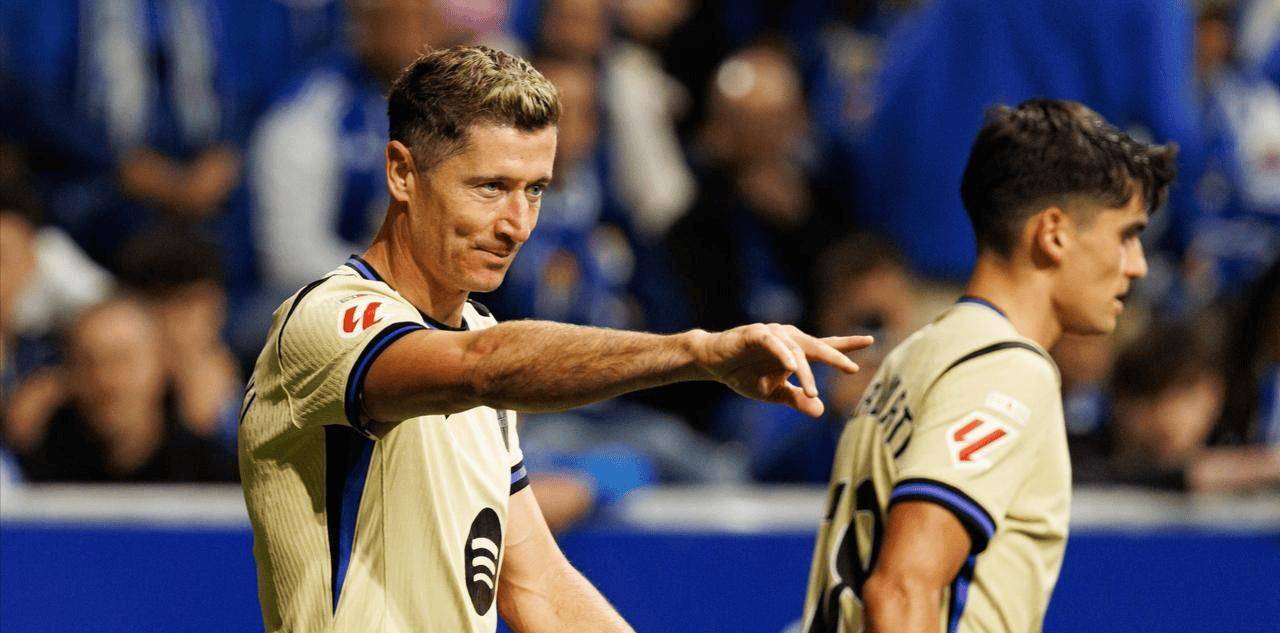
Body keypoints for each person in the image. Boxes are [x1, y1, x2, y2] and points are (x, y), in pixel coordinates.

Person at [238, 45, 871, 633]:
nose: (516, 225)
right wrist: (696, 353)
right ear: (402, 172)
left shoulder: (479, 338)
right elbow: (483, 368)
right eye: (490, 187)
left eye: (535, 189)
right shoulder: (322, 323)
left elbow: (538, 587)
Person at [802, 99, 1176, 633]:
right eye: (1127, 235)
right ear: (1053, 233)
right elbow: (902, 589)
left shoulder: (915, 355)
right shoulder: (1008, 371)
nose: (1137, 266)